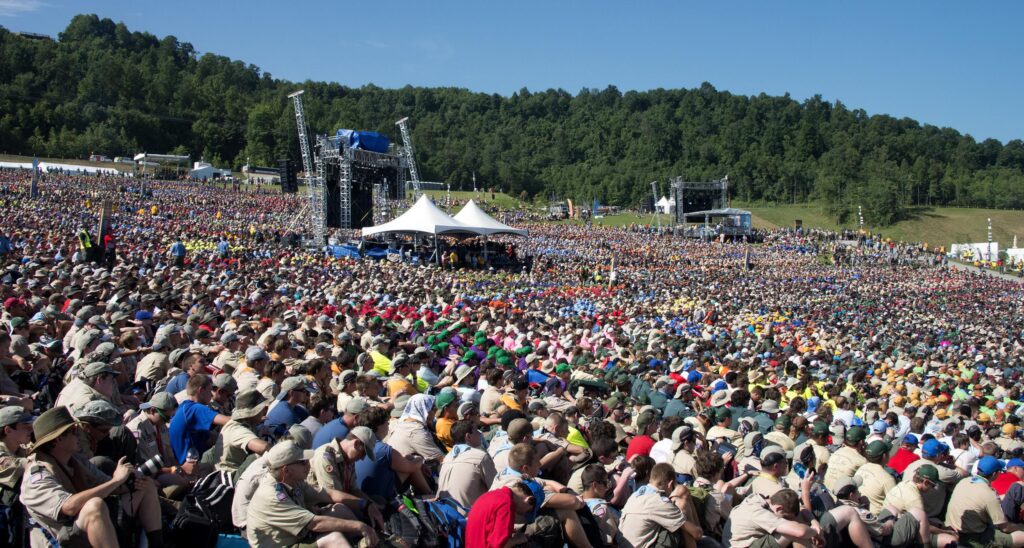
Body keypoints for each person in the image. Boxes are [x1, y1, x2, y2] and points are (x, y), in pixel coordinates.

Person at [20, 406, 164, 548]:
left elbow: (105, 483)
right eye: (73, 431)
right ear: (57, 439)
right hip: (60, 538)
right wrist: (116, 480)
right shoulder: (37, 475)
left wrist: (130, 482)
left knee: (146, 487)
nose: (78, 434)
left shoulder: (75, 460)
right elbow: (69, 507)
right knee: (94, 506)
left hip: (82, 527)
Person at [246, 440, 378, 547]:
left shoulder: (292, 480)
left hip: (298, 535)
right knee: (333, 539)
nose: (308, 464)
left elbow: (329, 494)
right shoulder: (272, 495)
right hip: (287, 544)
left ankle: (368, 542)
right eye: (302, 462)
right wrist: (359, 526)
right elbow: (316, 524)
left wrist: (365, 504)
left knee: (340, 509)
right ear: (286, 470)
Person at [945, 455, 1024, 547]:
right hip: (974, 537)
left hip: (954, 529)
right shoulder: (989, 494)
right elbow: (1005, 528)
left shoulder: (964, 481)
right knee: (1021, 537)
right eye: (999, 471)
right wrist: (1020, 527)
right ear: (994, 474)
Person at [619, 462, 702, 547]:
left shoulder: (635, 495)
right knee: (682, 508)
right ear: (670, 484)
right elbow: (696, 534)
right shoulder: (659, 501)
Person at [168, 373, 230, 464]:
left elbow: (209, 439)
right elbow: (228, 421)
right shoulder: (195, 409)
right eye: (209, 391)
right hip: (189, 467)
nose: (211, 395)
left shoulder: (184, 407)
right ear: (201, 390)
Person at [437, 419, 498, 510]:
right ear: (468, 436)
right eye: (476, 431)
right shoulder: (480, 457)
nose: (480, 433)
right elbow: (496, 489)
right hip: (470, 516)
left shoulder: (447, 457)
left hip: (448, 514)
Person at [465, 480, 536, 548]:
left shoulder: (492, 494)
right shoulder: (506, 503)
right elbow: (500, 545)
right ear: (529, 499)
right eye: (528, 511)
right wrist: (517, 539)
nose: (524, 514)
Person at [216, 390, 272, 472]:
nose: (264, 411)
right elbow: (263, 447)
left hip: (238, 471)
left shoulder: (246, 424)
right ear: (252, 412)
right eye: (262, 409)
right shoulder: (237, 429)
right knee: (259, 457)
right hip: (231, 475)